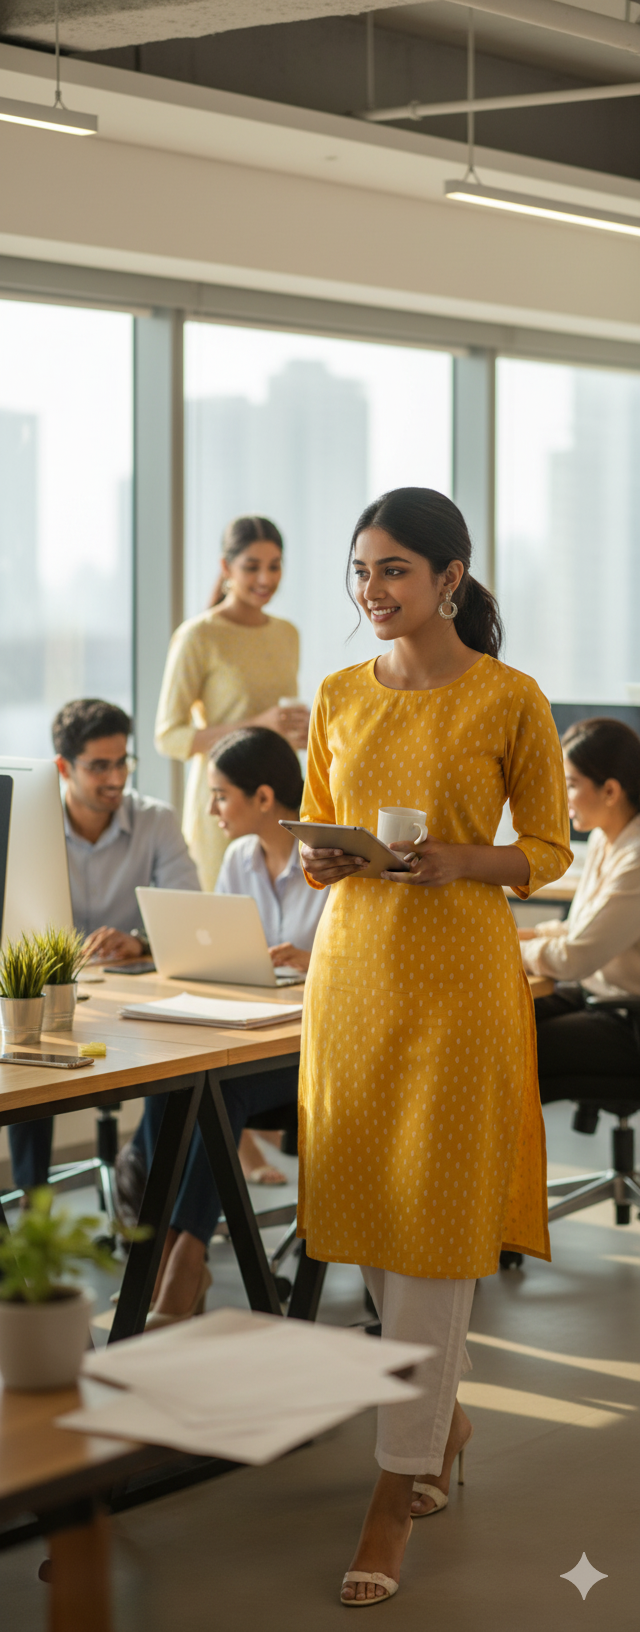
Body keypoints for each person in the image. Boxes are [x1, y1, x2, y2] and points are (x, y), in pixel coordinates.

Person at [298, 487, 571, 1605]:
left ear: (450, 576)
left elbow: (548, 847)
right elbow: (321, 824)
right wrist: (320, 861)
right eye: (361, 570)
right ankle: (438, 1422)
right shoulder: (333, 694)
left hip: (461, 986)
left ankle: (390, 1489)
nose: (374, 590)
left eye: (396, 570)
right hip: (352, 974)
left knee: (435, 1236)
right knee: (369, 1214)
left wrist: (467, 860)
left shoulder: (511, 698)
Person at [134, 727, 327, 1325]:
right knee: (167, 1085)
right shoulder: (242, 858)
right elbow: (223, 947)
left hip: (315, 1048)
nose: (212, 809)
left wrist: (311, 959)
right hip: (251, 1028)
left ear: (263, 798)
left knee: (221, 1090)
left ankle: (187, 1261)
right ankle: (163, 1254)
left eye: (220, 795)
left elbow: (367, 962)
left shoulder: (327, 861)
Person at [8, 698, 200, 1195]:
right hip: (52, 998)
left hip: (127, 999)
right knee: (30, 1053)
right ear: (62, 767)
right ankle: (34, 1208)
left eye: (122, 762)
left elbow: (190, 913)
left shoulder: (154, 821)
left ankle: (146, 1192)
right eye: (99, 766)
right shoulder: (29, 822)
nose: (115, 778)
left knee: (181, 1065)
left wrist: (137, 941)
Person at [154, 514, 310, 890]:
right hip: (222, 807)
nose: (265, 579)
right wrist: (259, 724)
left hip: (277, 804)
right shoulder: (198, 637)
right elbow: (169, 737)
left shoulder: (287, 635)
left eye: (274, 567)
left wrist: (303, 733)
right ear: (226, 568)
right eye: (252, 566)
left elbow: (275, 724)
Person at [520, 717, 640, 1095]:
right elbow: (579, 929)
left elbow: (575, 958)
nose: (562, 795)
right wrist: (530, 934)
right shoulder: (609, 840)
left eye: (571, 784)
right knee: (495, 1019)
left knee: (512, 1050)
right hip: (597, 997)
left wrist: (510, 949)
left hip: (628, 1018)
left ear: (610, 791)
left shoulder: (636, 858)